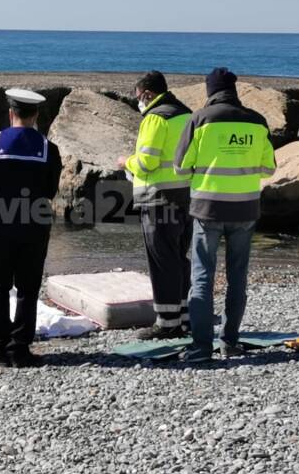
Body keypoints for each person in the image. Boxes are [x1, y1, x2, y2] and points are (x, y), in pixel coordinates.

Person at [173, 68, 276, 362]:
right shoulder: (257, 121)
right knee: (237, 278)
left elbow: (180, 166)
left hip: (208, 209)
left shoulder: (199, 120)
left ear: (210, 90)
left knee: (202, 277)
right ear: (234, 89)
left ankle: (201, 346)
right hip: (245, 208)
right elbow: (269, 168)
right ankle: (230, 342)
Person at [0, 88, 62, 368]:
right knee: (27, 288)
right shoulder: (49, 148)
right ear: (36, 115)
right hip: (34, 226)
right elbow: (51, 189)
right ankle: (20, 347)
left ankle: (0, 347)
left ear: (11, 113)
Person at [117, 71, 193, 340]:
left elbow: (147, 161)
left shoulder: (155, 118)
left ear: (147, 94)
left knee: (162, 262)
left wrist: (126, 162)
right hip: (185, 196)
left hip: (158, 198)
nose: (138, 102)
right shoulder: (186, 114)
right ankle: (183, 318)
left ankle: (167, 322)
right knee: (179, 258)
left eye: (138, 98)